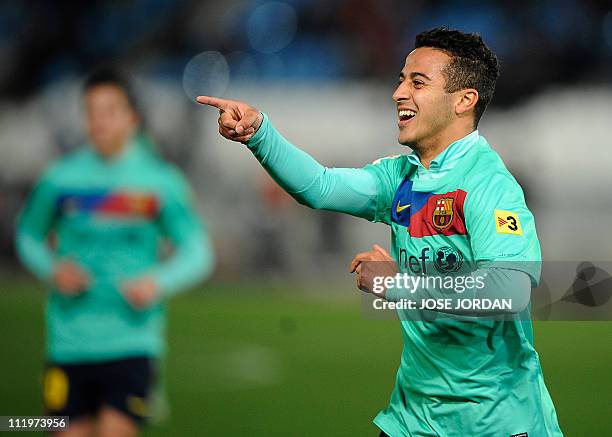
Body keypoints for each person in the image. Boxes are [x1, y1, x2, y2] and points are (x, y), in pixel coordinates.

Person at [197, 27, 563, 436]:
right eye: (401, 79)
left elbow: (508, 293)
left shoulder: (489, 186)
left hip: (494, 421)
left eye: (417, 82)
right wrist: (259, 133)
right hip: (414, 417)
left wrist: (397, 283)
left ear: (464, 100)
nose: (399, 93)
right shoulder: (401, 177)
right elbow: (319, 186)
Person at [16, 68, 214, 437]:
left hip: (132, 341)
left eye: (109, 110)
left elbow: (197, 250)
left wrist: (158, 281)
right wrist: (52, 269)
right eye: (91, 111)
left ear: (132, 117)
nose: (99, 121)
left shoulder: (160, 182)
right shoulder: (60, 178)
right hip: (68, 342)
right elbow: (28, 235)